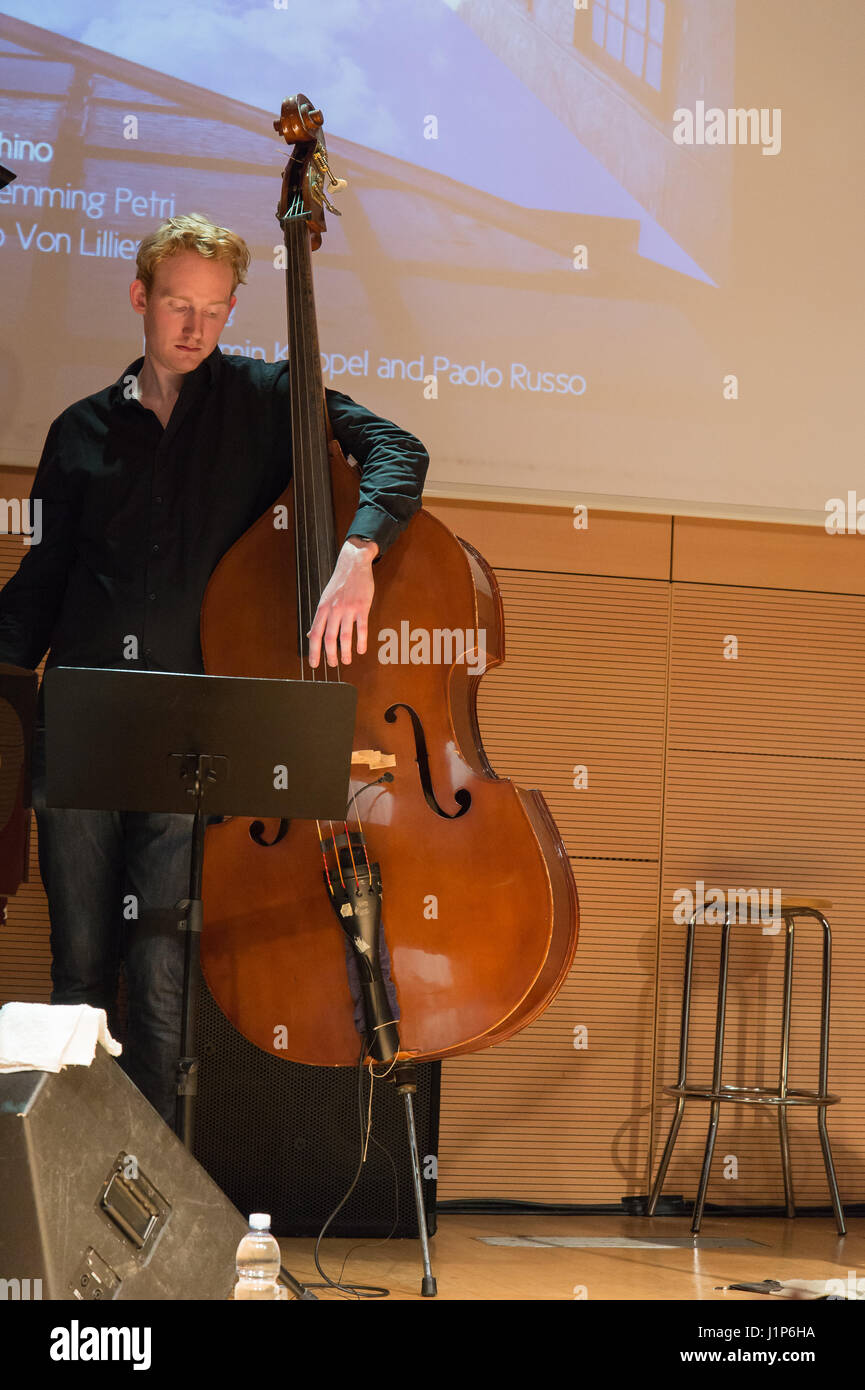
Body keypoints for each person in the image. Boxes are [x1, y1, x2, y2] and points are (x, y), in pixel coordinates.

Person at [0, 213, 429, 1125]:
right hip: (80, 726)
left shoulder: (270, 400)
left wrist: (358, 555)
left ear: (232, 310)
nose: (191, 328)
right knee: (76, 970)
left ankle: (153, 1196)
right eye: (174, 305)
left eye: (211, 310)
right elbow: (39, 583)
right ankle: (66, 1190)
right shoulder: (78, 431)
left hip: (188, 739)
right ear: (139, 300)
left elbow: (397, 451)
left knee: (158, 970)